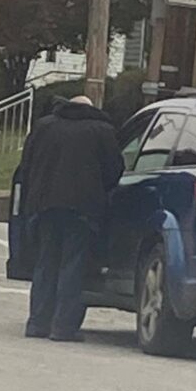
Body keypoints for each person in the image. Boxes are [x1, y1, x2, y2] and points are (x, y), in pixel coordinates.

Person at [20, 95, 124, 341]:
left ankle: (37, 323)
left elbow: (26, 165)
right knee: (73, 265)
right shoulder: (102, 131)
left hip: (45, 205)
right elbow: (115, 170)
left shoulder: (45, 127)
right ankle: (63, 326)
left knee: (46, 261)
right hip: (83, 208)